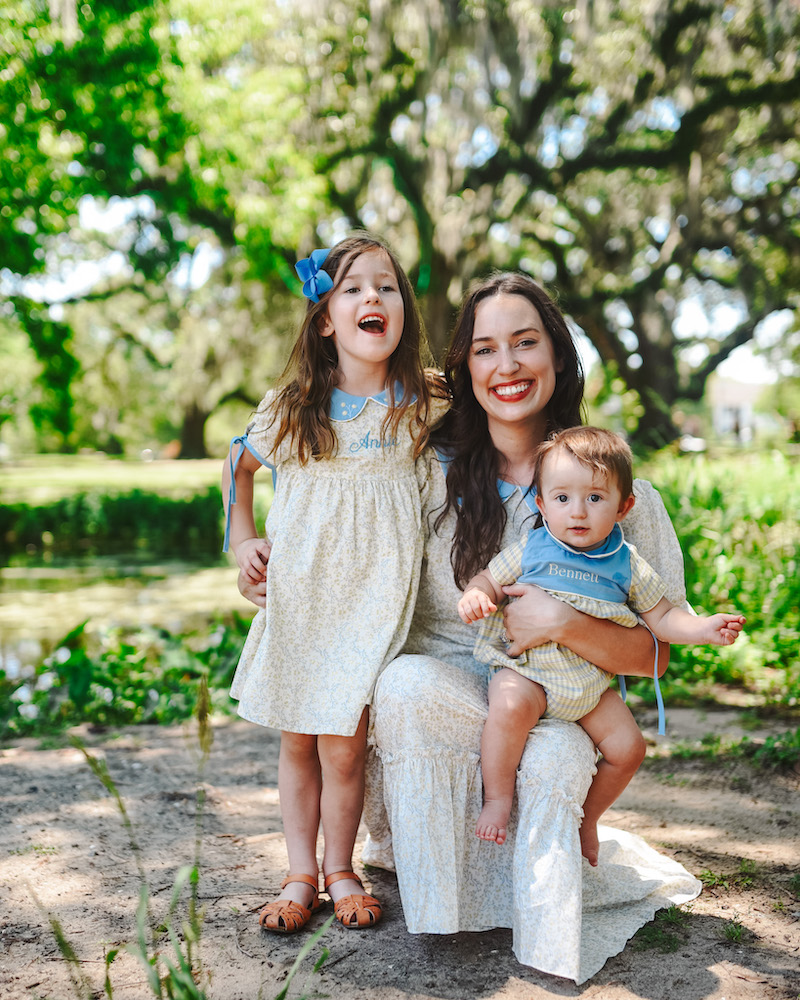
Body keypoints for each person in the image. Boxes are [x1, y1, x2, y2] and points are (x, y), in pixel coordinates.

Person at [238, 272, 702, 983]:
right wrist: (268, 561)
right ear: (465, 369)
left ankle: (539, 924)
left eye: (525, 343)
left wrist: (564, 622)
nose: (507, 365)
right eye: (485, 350)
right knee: (405, 682)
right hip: (447, 707)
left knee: (550, 760)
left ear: (559, 356)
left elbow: (656, 660)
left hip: (555, 706)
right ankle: (442, 902)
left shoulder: (615, 493)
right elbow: (334, 517)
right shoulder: (426, 472)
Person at [222, 233, 442, 934]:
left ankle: (341, 866)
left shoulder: (419, 403)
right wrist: (242, 540)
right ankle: (298, 872)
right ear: (325, 318)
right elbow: (238, 464)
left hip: (373, 604)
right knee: (297, 741)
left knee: (344, 743)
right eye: (352, 289)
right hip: (304, 598)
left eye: (386, 287)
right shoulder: (295, 406)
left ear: (402, 311)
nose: (372, 298)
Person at [458, 425, 745, 859]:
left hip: (589, 684)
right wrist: (478, 594)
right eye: (562, 498)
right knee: (509, 707)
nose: (578, 512)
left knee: (630, 749)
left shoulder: (626, 563)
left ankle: (587, 817)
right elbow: (489, 578)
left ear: (623, 506)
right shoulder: (532, 548)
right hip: (529, 670)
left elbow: (663, 617)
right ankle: (497, 800)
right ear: (541, 503)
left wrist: (704, 629)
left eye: (594, 498)